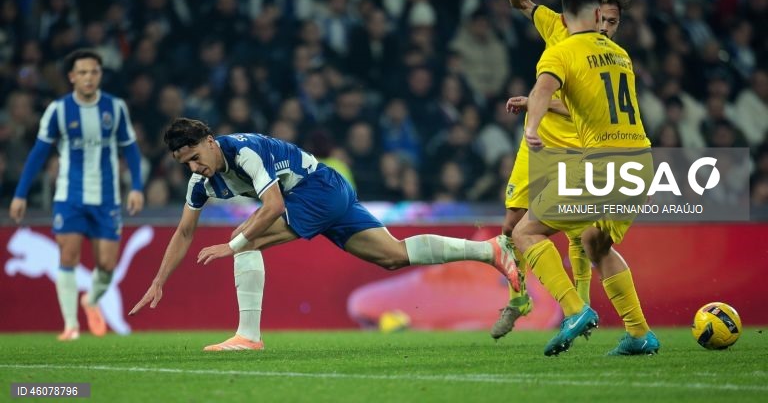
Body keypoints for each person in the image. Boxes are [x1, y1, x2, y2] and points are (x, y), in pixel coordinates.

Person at [129, 118, 519, 351]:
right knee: (392, 255)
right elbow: (183, 232)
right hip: (326, 191)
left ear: (211, 141)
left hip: (318, 189)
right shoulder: (201, 181)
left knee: (244, 238)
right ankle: (490, 251)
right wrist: (159, 280)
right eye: (186, 164)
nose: (195, 167)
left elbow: (274, 208)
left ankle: (248, 336)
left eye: (197, 156)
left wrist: (232, 246)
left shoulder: (245, 152)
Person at [512, 0, 659, 356]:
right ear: (597, 16)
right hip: (640, 162)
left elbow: (543, 90)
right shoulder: (619, 54)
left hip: (601, 165)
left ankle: (576, 310)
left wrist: (531, 128)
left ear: (562, 18)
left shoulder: (561, 52)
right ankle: (640, 334)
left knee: (525, 232)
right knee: (596, 241)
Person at [489, 0, 631, 339]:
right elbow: (523, 4)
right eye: (603, 19)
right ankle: (518, 299)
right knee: (511, 224)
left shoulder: (607, 57)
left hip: (576, 148)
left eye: (612, 23)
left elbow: (582, 105)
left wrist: (539, 100)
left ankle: (579, 308)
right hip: (536, 146)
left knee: (578, 235)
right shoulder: (558, 26)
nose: (605, 27)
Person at [9, 49, 145, 341]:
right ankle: (70, 325)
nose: (88, 77)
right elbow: (38, 153)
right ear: (72, 77)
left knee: (107, 265)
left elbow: (130, 148)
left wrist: (136, 186)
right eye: (82, 72)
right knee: (67, 256)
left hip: (107, 197)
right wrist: (20, 194)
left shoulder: (115, 107)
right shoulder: (58, 110)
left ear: (100, 75)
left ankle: (91, 300)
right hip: (69, 196)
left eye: (94, 72)